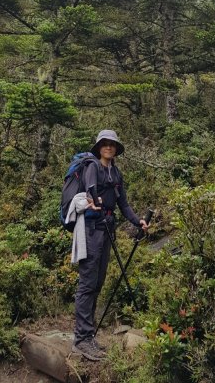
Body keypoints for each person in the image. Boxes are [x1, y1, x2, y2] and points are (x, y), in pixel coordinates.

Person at [71, 129, 149, 361]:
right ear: (99, 147)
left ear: (116, 149)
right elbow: (90, 192)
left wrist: (138, 221)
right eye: (104, 144)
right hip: (90, 231)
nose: (108, 147)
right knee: (87, 283)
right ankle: (81, 340)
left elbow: (123, 204)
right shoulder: (93, 167)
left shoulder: (116, 172)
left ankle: (88, 337)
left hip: (106, 232)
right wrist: (93, 203)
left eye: (112, 144)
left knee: (97, 283)